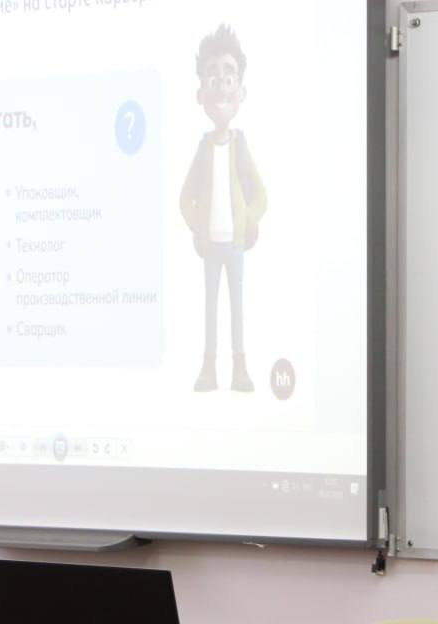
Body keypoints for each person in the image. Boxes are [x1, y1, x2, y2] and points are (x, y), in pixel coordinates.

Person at [180, 24, 268, 392]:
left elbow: (261, 195)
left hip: (234, 245)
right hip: (210, 247)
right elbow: (185, 198)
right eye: (212, 77)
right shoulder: (203, 148)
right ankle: (209, 369)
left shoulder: (240, 145)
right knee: (210, 308)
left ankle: (239, 369)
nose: (221, 85)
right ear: (200, 93)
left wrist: (247, 221)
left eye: (228, 75)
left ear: (241, 90)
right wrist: (198, 225)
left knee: (236, 307)